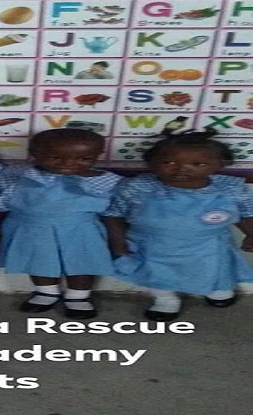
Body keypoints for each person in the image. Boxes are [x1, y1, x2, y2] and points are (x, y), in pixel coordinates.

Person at [102, 129, 253, 321]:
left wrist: (250, 234)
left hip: (208, 246)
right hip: (152, 245)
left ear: (219, 165)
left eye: (197, 164)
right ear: (151, 163)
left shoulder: (230, 189)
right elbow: (114, 213)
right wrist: (117, 240)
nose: (181, 169)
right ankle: (165, 300)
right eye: (169, 163)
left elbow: (245, 214)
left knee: (214, 268)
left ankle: (217, 290)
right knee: (157, 273)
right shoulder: (138, 187)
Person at [0, 128, 122, 319]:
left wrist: (117, 238)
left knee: (82, 263)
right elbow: (3, 201)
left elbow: (113, 211)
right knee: (38, 262)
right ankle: (46, 292)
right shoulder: (18, 175)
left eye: (84, 159)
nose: (68, 163)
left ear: (98, 155)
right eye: (55, 157)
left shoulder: (105, 181)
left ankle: (78, 297)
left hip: (81, 230)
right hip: (31, 228)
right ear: (34, 154)